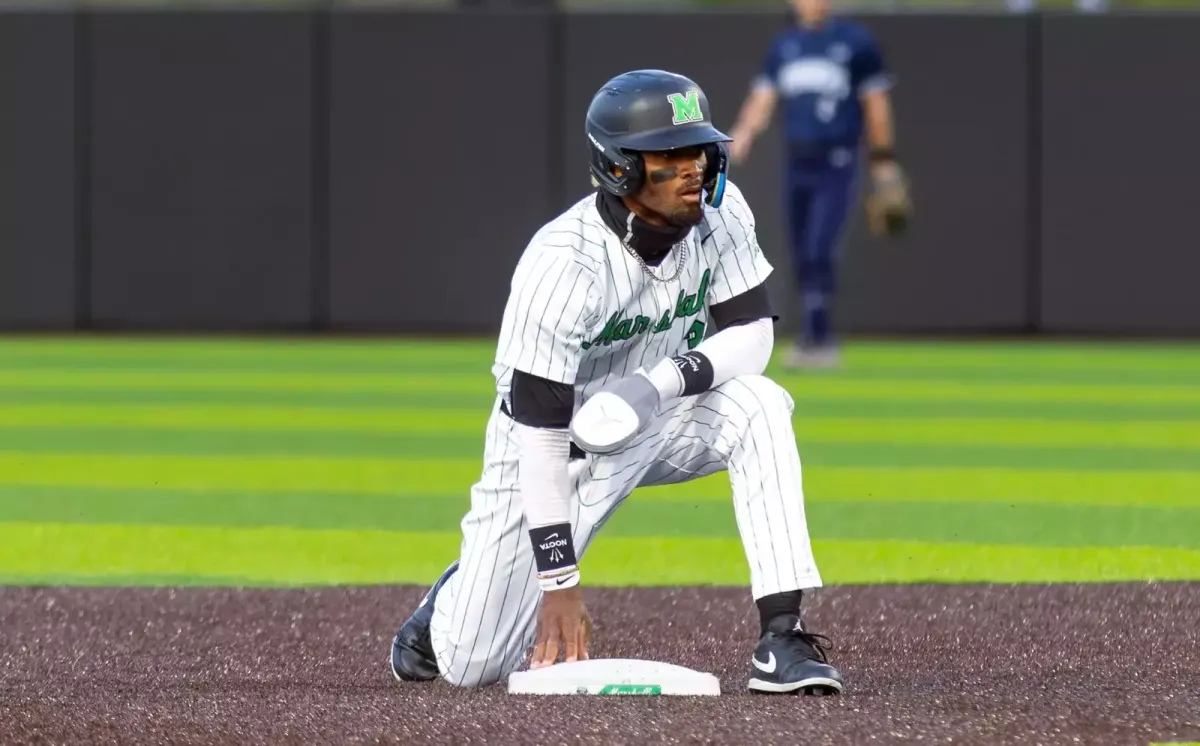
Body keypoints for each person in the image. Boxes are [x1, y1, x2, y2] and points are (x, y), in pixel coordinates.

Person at [389, 69, 843, 696]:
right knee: (470, 665)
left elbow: (754, 335)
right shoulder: (562, 262)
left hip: (658, 420)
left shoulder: (721, 211)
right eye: (670, 153)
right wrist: (559, 585)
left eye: (700, 149)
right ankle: (457, 591)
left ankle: (782, 638)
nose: (694, 168)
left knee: (761, 404)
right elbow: (542, 440)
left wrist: (657, 384)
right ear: (619, 167)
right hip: (555, 450)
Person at [728, 0, 910, 368]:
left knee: (818, 249)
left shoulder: (855, 42)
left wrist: (883, 160)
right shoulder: (785, 45)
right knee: (800, 253)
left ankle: (820, 339)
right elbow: (763, 98)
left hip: (837, 161)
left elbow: (876, 103)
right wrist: (741, 136)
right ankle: (814, 337)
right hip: (798, 162)